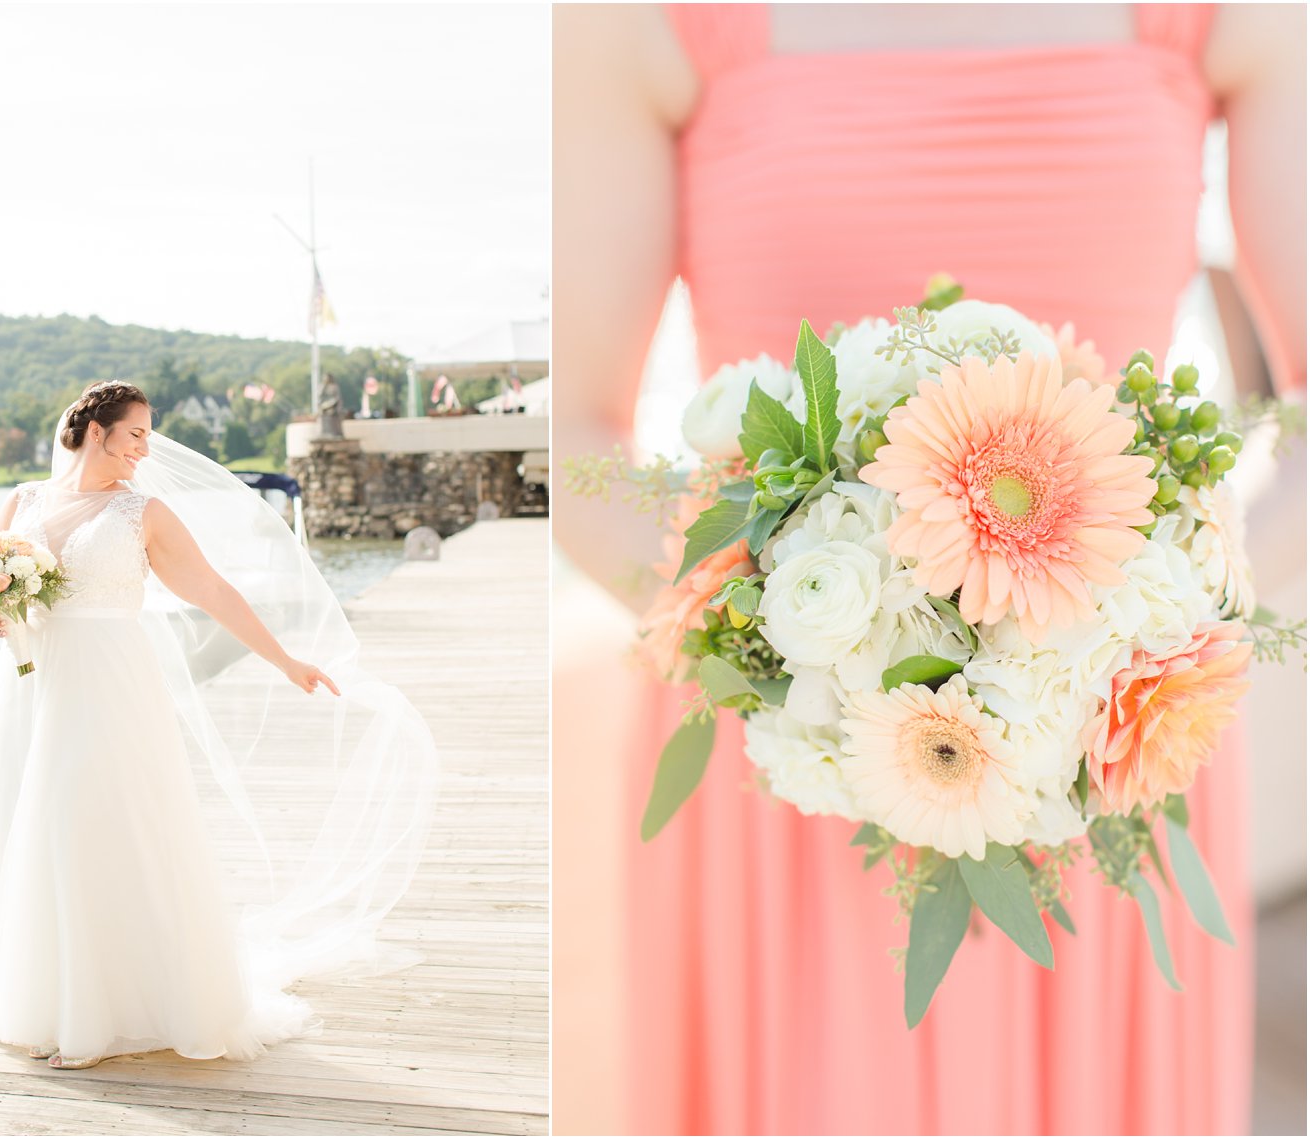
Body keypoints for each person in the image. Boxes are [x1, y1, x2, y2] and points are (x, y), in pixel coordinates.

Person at [554, 4, 1304, 1134]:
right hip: (780, 745)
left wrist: (1159, 617)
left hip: (1111, 735)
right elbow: (571, 434)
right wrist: (791, 658)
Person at [0, 380, 436, 1069]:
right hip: (29, 681)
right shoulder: (24, 500)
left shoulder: (142, 511)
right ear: (96, 431)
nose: (145, 449)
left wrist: (285, 659)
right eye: (136, 434)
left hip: (107, 685)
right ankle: (44, 999)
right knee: (23, 821)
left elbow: (212, 589)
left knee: (88, 823)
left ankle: (105, 1011)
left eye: (149, 435)